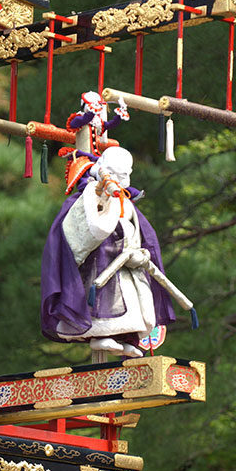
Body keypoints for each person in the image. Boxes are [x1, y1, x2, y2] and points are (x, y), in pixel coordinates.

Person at [40, 146, 176, 357]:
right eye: (114, 172)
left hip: (129, 264)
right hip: (101, 263)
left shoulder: (127, 201)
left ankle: (128, 338)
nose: (119, 178)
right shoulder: (91, 192)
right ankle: (100, 335)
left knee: (133, 300)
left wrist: (141, 254)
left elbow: (142, 234)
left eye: (124, 174)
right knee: (103, 301)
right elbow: (93, 229)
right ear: (101, 168)